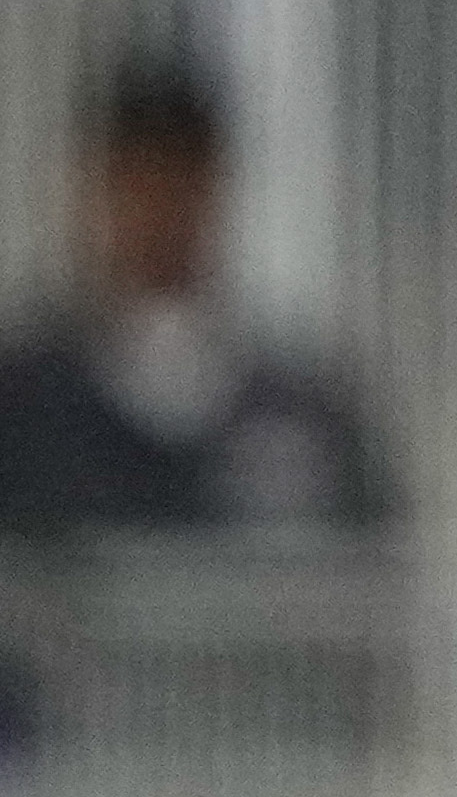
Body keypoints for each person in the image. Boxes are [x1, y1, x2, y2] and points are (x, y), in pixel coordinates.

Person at [0, 59, 397, 543]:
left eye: (183, 184)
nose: (160, 215)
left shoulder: (296, 406)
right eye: (138, 186)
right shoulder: (24, 402)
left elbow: (370, 577)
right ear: (93, 192)